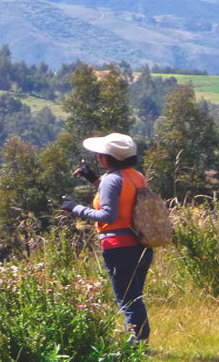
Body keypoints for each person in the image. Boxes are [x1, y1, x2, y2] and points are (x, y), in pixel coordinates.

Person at [60, 133, 153, 343]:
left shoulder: (111, 180)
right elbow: (124, 201)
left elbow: (108, 216)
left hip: (119, 248)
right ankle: (138, 343)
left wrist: (76, 208)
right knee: (134, 296)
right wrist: (94, 180)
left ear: (106, 158)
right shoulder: (137, 176)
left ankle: (138, 344)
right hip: (142, 245)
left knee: (128, 300)